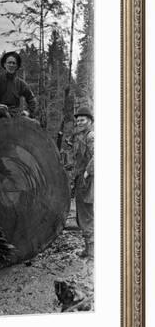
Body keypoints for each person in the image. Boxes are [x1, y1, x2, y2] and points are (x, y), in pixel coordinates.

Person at [0, 51, 36, 118]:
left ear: (17, 66)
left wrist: (28, 112)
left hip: (15, 114)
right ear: (4, 64)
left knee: (34, 124)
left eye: (14, 63)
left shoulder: (21, 83)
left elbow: (31, 99)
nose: (11, 65)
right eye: (9, 63)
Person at [72, 106, 94, 259]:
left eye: (82, 120)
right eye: (78, 120)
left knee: (87, 214)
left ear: (90, 121)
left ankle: (92, 251)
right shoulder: (80, 136)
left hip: (89, 180)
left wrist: (87, 172)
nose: (79, 122)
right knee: (82, 214)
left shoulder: (91, 136)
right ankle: (88, 248)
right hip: (81, 179)